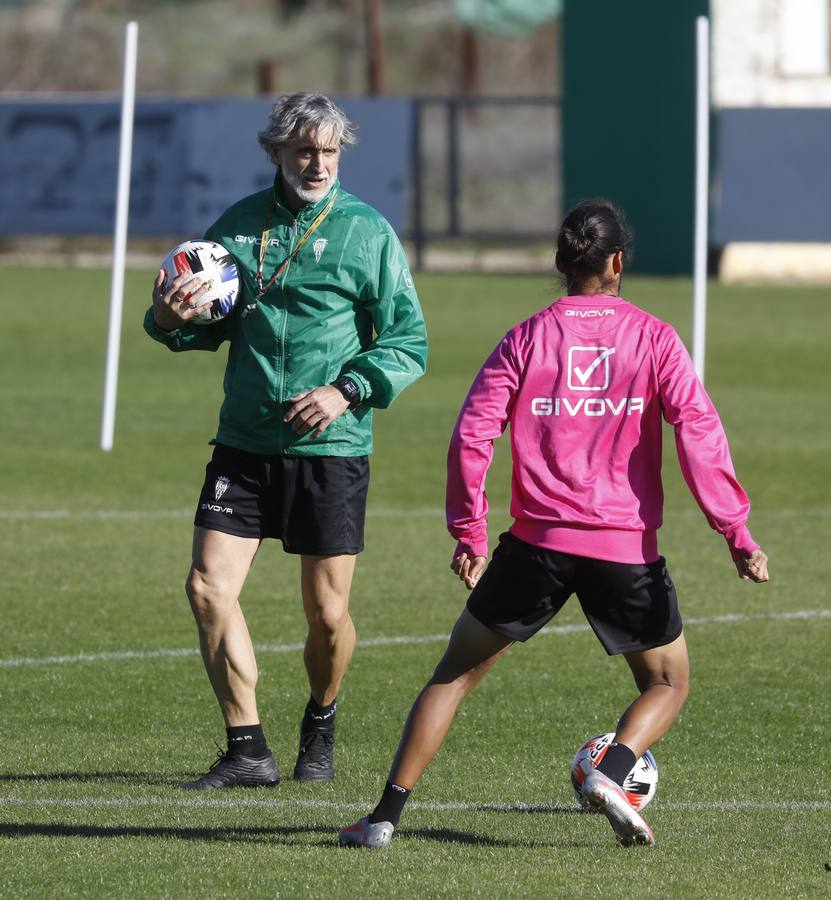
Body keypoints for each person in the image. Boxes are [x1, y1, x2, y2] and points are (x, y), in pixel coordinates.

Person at [338, 199, 768, 848]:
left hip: (533, 548)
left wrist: (470, 532)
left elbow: (471, 436)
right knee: (668, 682)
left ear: (562, 263)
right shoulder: (654, 337)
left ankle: (383, 821)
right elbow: (698, 434)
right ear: (618, 261)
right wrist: (735, 532)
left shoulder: (526, 337)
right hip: (624, 553)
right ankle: (614, 770)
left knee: (452, 676)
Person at [144, 92, 428, 789]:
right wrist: (165, 314)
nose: (318, 163)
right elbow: (198, 326)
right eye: (304, 150)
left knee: (328, 616)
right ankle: (247, 748)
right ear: (275, 151)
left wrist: (346, 390)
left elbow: (408, 342)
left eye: (329, 151)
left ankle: (321, 717)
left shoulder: (367, 232)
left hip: (330, 449)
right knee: (208, 588)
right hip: (243, 442)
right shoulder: (237, 229)